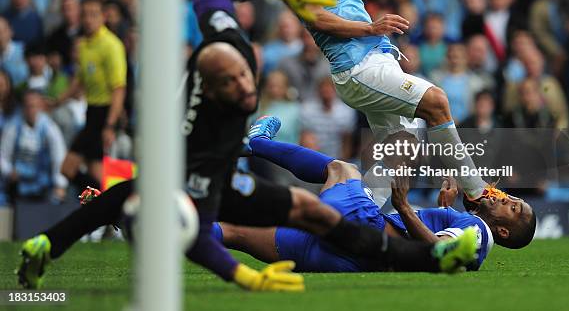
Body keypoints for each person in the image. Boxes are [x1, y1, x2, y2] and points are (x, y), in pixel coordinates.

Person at [18, 0, 477, 291]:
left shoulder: (228, 39)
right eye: (234, 82)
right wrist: (246, 279)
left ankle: (64, 237)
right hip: (220, 176)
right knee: (261, 213)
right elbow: (196, 241)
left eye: (244, 74)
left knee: (298, 206)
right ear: (214, 92)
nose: (244, 83)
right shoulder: (203, 134)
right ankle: (249, 148)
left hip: (243, 190)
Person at [286, 0, 508, 204]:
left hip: (378, 60)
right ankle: (477, 193)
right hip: (356, 67)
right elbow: (316, 18)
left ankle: (356, 220)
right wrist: (370, 28)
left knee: (400, 149)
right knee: (436, 101)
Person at [214, 116, 536, 272]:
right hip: (347, 260)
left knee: (342, 168)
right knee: (236, 233)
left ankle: (257, 143)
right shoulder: (471, 229)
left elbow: (440, 251)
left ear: (504, 230)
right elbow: (442, 243)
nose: (506, 199)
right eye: (512, 199)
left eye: (513, 208)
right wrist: (443, 209)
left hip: (364, 227)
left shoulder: (481, 233)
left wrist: (405, 208)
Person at [53, 0, 127, 190]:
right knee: (95, 173)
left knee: (68, 167)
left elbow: (118, 88)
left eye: (93, 14)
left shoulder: (112, 45)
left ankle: (104, 205)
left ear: (103, 17)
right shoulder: (84, 45)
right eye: (84, 14)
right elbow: (79, 80)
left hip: (105, 112)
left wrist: (110, 125)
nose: (88, 19)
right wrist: (57, 101)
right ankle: (101, 207)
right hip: (92, 111)